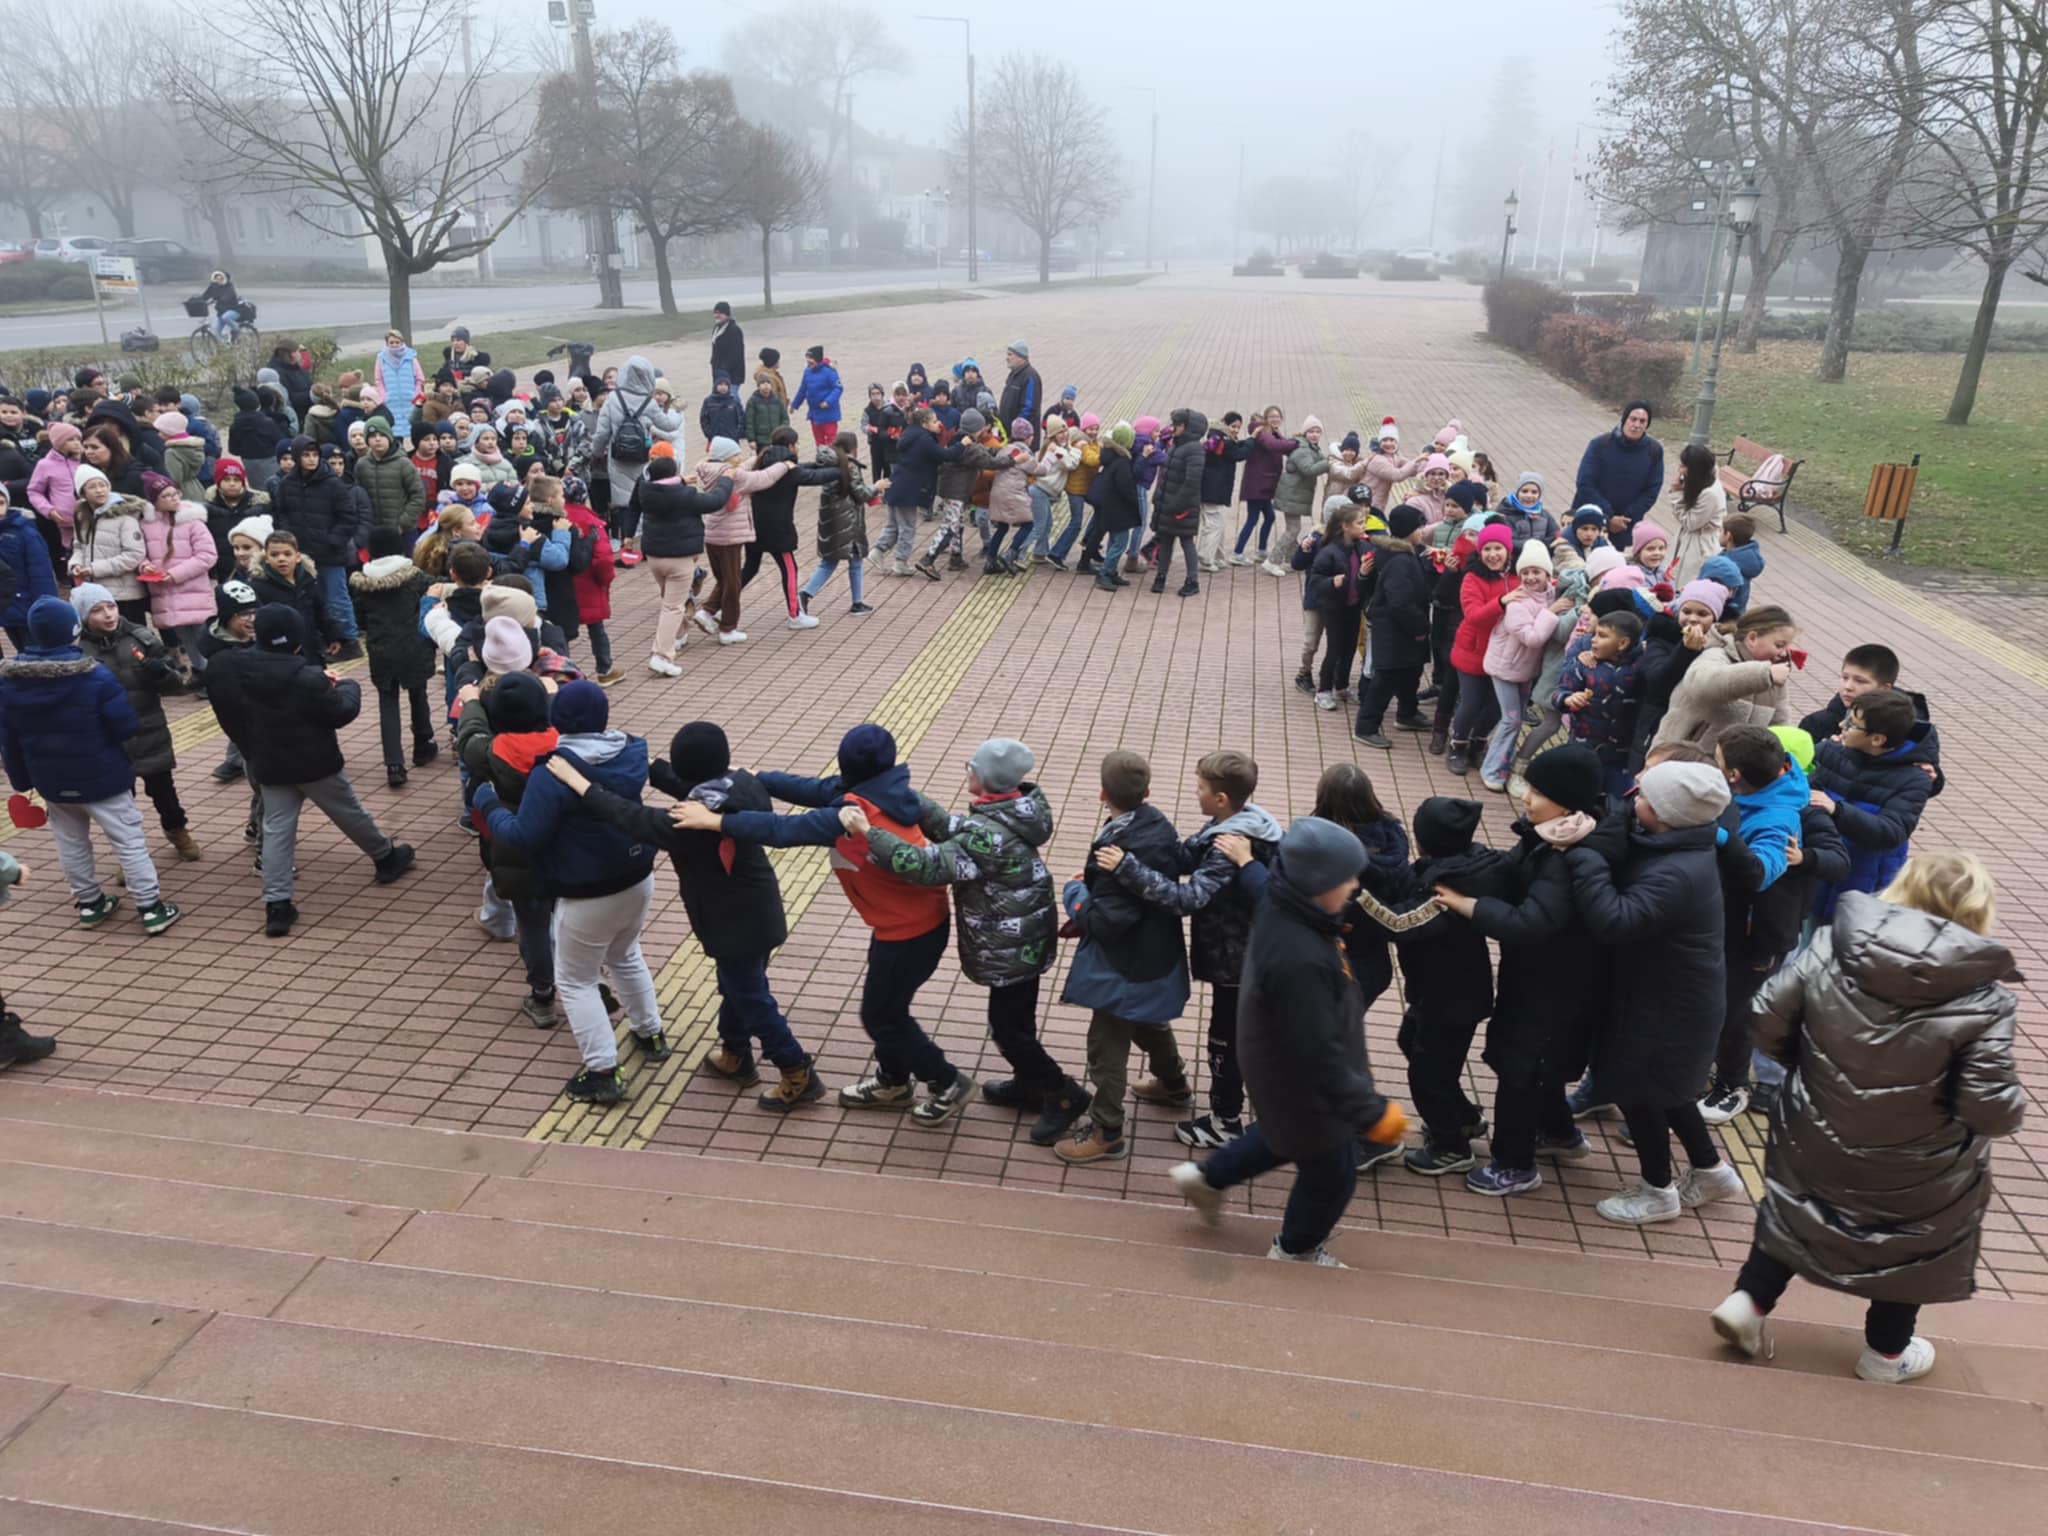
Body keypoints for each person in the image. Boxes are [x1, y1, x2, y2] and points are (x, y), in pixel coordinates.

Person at [1711, 854, 2024, 1384]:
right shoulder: (1984, 999)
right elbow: (1988, 1106)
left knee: (1797, 1206)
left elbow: (1765, 1017)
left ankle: (1749, 1302)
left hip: (1818, 1124)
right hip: (1920, 1157)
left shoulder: (1833, 945)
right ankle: (1885, 1354)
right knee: (1909, 1241)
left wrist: (1812, 1073)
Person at [674, 723, 974, 1124]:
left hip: (910, 933)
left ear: (847, 765)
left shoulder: (851, 815)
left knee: (882, 1015)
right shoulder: (883, 789)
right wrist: (756, 776)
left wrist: (718, 823)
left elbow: (784, 830)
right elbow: (812, 789)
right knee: (887, 1009)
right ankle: (893, 1081)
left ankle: (947, 1081)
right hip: (908, 924)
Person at [1169, 817, 1411, 1267]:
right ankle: (1296, 1249)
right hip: (1307, 1082)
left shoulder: (1284, 905)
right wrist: (1370, 1113)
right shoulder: (1302, 959)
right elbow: (1317, 1053)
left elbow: (1263, 886)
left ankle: (1205, 1178)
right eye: (1346, 878)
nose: (1355, 885)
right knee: (1332, 1173)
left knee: (1283, 1134)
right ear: (1317, 885)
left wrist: (1247, 864)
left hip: (1279, 1070)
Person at [549, 720, 825, 1111]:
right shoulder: (740, 785)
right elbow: (681, 784)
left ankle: (797, 1071)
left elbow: (631, 817)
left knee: (752, 999)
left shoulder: (691, 825)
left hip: (734, 924)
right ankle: (736, 1055)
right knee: (738, 988)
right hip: (759, 910)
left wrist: (581, 782)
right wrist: (639, 759)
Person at [854, 738, 1085, 1146]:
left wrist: (868, 833)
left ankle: (1063, 1094)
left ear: (986, 779)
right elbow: (955, 830)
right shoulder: (1011, 811)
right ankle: (1029, 1084)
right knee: (1017, 1022)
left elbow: (924, 866)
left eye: (971, 768)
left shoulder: (988, 832)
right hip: (1026, 936)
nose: (967, 772)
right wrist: (908, 798)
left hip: (1011, 945)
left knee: (1009, 1030)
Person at [1564, 759, 1746, 1224]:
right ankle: (1710, 1170)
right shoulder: (1682, 845)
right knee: (1670, 1090)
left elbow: (1614, 920)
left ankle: (1657, 1191)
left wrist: (1586, 858)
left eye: (1643, 798)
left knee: (1640, 1092)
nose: (1634, 802)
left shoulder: (1676, 873)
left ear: (1665, 814)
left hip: (1666, 1006)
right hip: (1674, 997)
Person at [477, 681, 670, 1104]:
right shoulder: (631, 750)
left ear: (558, 718)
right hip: (638, 876)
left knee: (576, 980)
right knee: (625, 954)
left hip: (587, 892)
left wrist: (489, 805)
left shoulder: (554, 771)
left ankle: (602, 1071)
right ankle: (650, 1033)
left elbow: (524, 836)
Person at [1434, 745, 1607, 1197]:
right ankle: (1559, 1134)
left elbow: (1531, 923)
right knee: (1535, 1065)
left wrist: (1470, 905)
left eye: (1537, 792)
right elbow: (1512, 874)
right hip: (1542, 980)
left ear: (1567, 802)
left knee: (1521, 1070)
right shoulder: (1551, 836)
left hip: (1552, 986)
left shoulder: (1566, 856)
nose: (1526, 798)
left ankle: (1515, 1165)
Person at [1100, 750, 1281, 1150]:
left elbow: (1188, 898)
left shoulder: (1228, 844)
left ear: (1221, 798)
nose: (1195, 793)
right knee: (1230, 1037)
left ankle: (1225, 1122)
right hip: (1242, 957)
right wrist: (1145, 833)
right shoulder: (1235, 822)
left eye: (1200, 788)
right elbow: (1185, 856)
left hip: (1238, 964)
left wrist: (1127, 867)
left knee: (1225, 1042)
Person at [209, 605, 415, 937]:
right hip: (316, 764)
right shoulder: (307, 678)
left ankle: (277, 904)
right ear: (296, 640)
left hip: (270, 763)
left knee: (276, 829)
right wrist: (347, 685)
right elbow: (341, 711)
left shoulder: (235, 668)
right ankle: (385, 856)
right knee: (348, 812)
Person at [0, 596, 181, 935]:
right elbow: (125, 726)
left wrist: (22, 781)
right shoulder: (94, 676)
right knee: (128, 841)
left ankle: (89, 903)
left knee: (70, 842)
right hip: (103, 776)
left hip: (51, 780)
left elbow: (8, 739)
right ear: (74, 629)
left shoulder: (10, 682)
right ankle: (150, 907)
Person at [1699, 726, 1849, 1124]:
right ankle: (1705, 1068)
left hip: (1760, 935)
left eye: (1718, 760)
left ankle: (1732, 1085)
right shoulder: (1742, 794)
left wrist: (1805, 859)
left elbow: (1836, 861)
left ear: (1735, 775)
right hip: (1723, 923)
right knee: (1713, 1004)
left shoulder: (1799, 811)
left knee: (1735, 1013)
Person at [1053, 749, 1192, 1164]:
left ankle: (1107, 1130)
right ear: (1146, 793)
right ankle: (1173, 1083)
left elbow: (1105, 921)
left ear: (1102, 794)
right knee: (1148, 1019)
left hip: (1123, 964)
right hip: (1157, 953)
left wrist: (1076, 892)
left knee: (1106, 1044)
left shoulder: (1117, 848)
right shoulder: (1157, 825)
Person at [69, 582, 198, 862]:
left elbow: (178, 685)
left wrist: (162, 674)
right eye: (97, 610)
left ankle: (177, 830)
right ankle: (130, 853)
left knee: (164, 793)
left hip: (149, 730)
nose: (108, 614)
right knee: (120, 803)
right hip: (109, 739)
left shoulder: (142, 638)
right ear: (83, 617)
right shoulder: (78, 650)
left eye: (111, 606)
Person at [1805, 688, 1939, 919]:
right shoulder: (1828, 752)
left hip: (1865, 888)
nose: (1841, 725)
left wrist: (1837, 810)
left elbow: (1891, 832)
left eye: (1852, 724)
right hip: (1816, 875)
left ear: (1877, 739)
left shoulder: (1914, 778)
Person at [348, 526, 440, 788]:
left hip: (381, 649)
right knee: (418, 693)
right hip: (414, 645)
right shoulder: (417, 578)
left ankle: (394, 764)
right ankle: (422, 744)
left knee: (387, 703)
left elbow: (360, 619)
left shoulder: (362, 583)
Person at [1653, 603, 1796, 749]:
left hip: (1730, 762)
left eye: (1787, 647)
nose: (1784, 653)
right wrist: (1764, 674)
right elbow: (1702, 685)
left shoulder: (1773, 675)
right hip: (1680, 755)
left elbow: (1779, 723)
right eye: (1779, 645)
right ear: (1752, 638)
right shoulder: (1717, 654)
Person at [271, 437, 365, 657]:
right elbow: (280, 513)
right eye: (306, 455)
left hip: (330, 553)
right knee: (311, 599)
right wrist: (289, 538)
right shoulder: (287, 484)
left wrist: (333, 540)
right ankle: (322, 641)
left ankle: (349, 641)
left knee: (336, 598)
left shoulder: (333, 484)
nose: (311, 459)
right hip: (301, 554)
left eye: (315, 455)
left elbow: (348, 517)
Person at [1350, 505, 1434, 747]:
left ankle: (1407, 713)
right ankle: (1366, 727)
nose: (1422, 532)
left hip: (1399, 630)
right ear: (1408, 531)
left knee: (1411, 673)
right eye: (1419, 528)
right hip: (1395, 631)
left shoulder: (1401, 553)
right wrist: (1420, 627)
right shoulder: (1400, 560)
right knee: (1385, 679)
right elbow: (1400, 602)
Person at [587, 356, 684, 561]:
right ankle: (648, 546)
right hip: (642, 455)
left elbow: (601, 434)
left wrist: (596, 454)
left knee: (624, 503)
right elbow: (668, 425)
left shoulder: (613, 399)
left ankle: (627, 547)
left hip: (618, 457)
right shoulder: (649, 402)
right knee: (644, 499)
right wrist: (678, 412)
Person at [1444, 524, 1517, 775]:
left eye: (1498, 548)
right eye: (1487, 549)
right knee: (1471, 703)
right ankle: (1458, 745)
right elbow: (1474, 615)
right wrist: (1501, 602)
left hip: (1506, 654)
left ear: (1509, 550)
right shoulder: (1472, 577)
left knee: (1496, 706)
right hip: (1475, 651)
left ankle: (1478, 742)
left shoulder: (1519, 576)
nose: (1492, 554)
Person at [1556, 606, 1646, 800]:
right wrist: (1568, 699)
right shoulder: (1585, 664)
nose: (1593, 640)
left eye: (1602, 636)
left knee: (1615, 803)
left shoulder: (1642, 666)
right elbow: (1560, 692)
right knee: (1577, 798)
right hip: (1583, 749)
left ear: (1622, 643)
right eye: (1595, 634)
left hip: (1622, 756)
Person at [799, 431, 879, 618]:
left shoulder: (828, 462)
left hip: (831, 518)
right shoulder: (849, 465)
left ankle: (855, 602)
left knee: (832, 560)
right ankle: (806, 595)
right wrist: (877, 487)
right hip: (848, 521)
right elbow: (860, 493)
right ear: (853, 448)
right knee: (851, 561)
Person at [1574, 402, 1666, 546]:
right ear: (1624, 420)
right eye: (1633, 419)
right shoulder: (1600, 444)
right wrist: (1608, 517)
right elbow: (1585, 483)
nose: (1636, 425)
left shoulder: (1654, 451)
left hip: (1624, 526)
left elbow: (1651, 491)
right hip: (1590, 522)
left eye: (1642, 421)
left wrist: (1625, 518)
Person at [1307, 500, 1367, 709]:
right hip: (1334, 608)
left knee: (1349, 647)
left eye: (1364, 522)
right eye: (1360, 523)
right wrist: (1332, 582)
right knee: (1334, 649)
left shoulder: (1361, 547)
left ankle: (1341, 685)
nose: (1364, 526)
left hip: (1354, 606)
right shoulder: (1329, 552)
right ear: (1345, 526)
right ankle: (1324, 690)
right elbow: (1315, 581)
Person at [1148, 409, 1207, 597]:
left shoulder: (1194, 449)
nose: (1174, 428)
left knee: (1186, 542)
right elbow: (1166, 476)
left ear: (1188, 427)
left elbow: (1192, 481)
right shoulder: (1176, 446)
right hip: (1168, 503)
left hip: (1183, 507)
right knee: (1166, 540)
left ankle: (1192, 580)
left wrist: (1177, 504)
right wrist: (1159, 497)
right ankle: (1161, 576)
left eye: (1178, 425)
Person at [1266, 416, 1329, 575]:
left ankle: (1291, 560)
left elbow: (1321, 460)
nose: (1314, 435)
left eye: (1318, 432)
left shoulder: (1312, 448)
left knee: (1293, 528)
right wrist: (1329, 463)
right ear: (1304, 433)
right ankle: (1272, 561)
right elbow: (1309, 469)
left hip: (1294, 494)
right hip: (1291, 494)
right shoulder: (1302, 449)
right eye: (1311, 431)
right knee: (1293, 530)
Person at [1084, 422, 1143, 591]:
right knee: (1120, 543)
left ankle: (1111, 572)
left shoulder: (1111, 456)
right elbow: (1125, 487)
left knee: (1116, 540)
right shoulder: (1123, 462)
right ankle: (1105, 573)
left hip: (1110, 507)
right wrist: (1134, 499)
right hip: (1118, 509)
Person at [0, 485, 58, 653]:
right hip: (6, 608)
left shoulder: (25, 532)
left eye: (1, 502)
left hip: (28, 606)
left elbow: (41, 573)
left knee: (38, 654)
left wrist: (45, 606)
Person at [1665, 444, 1726, 586]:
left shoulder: (1710, 494)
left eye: (1683, 466)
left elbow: (1690, 523)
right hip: (1689, 539)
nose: (1679, 469)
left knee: (1686, 582)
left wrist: (1676, 493)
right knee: (1672, 575)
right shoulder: (1703, 480)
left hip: (1700, 545)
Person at [790, 345, 844, 449]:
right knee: (819, 440)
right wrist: (794, 405)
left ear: (817, 359)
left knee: (831, 440)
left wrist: (828, 401)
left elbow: (838, 388)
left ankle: (833, 456)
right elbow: (802, 390)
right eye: (807, 359)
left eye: (811, 359)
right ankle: (821, 456)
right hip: (814, 413)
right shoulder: (807, 372)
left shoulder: (829, 372)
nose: (808, 362)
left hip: (829, 413)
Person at [699, 372, 744, 451]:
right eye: (720, 384)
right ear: (715, 386)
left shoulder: (734, 402)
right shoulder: (708, 401)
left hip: (731, 439)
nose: (723, 387)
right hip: (715, 439)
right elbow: (704, 419)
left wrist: (737, 434)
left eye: (726, 385)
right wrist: (709, 434)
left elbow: (741, 419)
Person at [196, 270, 242, 340]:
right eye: (217, 278)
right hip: (221, 312)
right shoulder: (213, 287)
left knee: (225, 317)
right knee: (215, 331)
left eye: (221, 278)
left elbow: (228, 296)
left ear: (225, 279)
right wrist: (196, 301)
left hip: (233, 310)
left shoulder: (229, 286)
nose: (218, 280)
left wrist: (218, 299)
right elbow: (205, 296)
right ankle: (225, 345)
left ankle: (237, 329)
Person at [710, 301, 745, 386]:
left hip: (732, 374)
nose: (717, 315)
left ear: (727, 314)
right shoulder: (716, 328)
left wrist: (724, 367)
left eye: (720, 313)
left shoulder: (734, 330)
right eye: (715, 313)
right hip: (718, 373)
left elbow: (736, 353)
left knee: (731, 394)